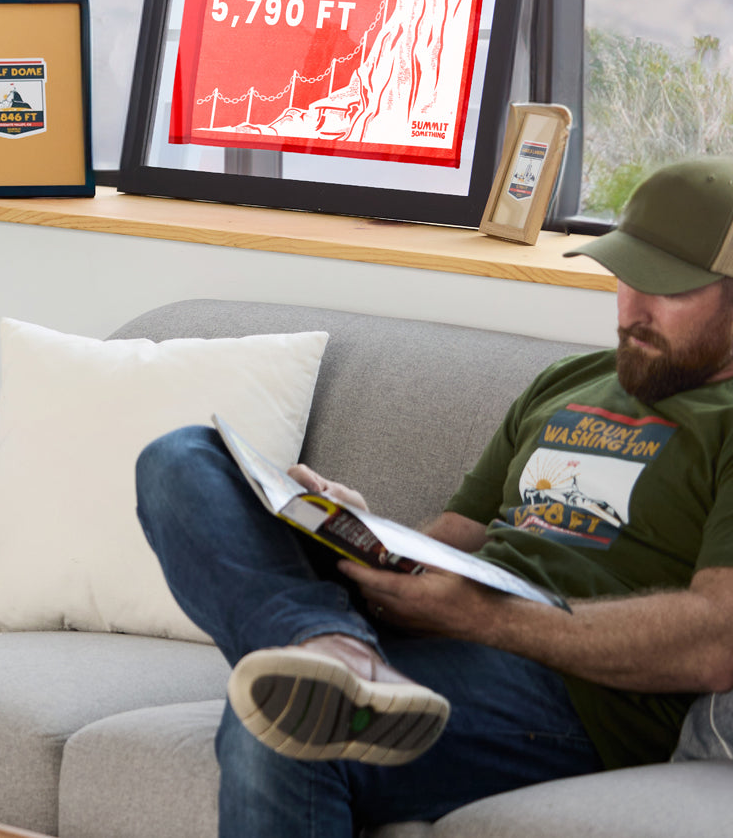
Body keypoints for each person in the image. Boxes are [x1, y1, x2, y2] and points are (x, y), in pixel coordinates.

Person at [135, 156, 733, 836]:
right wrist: (361, 528)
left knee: (285, 729)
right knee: (182, 458)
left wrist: (487, 619)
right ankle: (332, 646)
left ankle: (335, 666)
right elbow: (460, 532)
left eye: (668, 289)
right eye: (626, 277)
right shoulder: (569, 380)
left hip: (574, 696)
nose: (633, 310)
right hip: (453, 627)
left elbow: (717, 641)